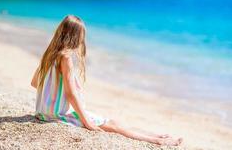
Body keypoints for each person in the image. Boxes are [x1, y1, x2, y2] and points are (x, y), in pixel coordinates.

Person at [31, 15, 182, 146]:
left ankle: (154, 135)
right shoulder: (66, 58)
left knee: (113, 123)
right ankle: (157, 141)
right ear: (76, 37)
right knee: (114, 126)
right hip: (56, 115)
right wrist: (87, 123)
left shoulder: (50, 54)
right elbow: (71, 95)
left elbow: (34, 82)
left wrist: (52, 91)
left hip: (43, 112)